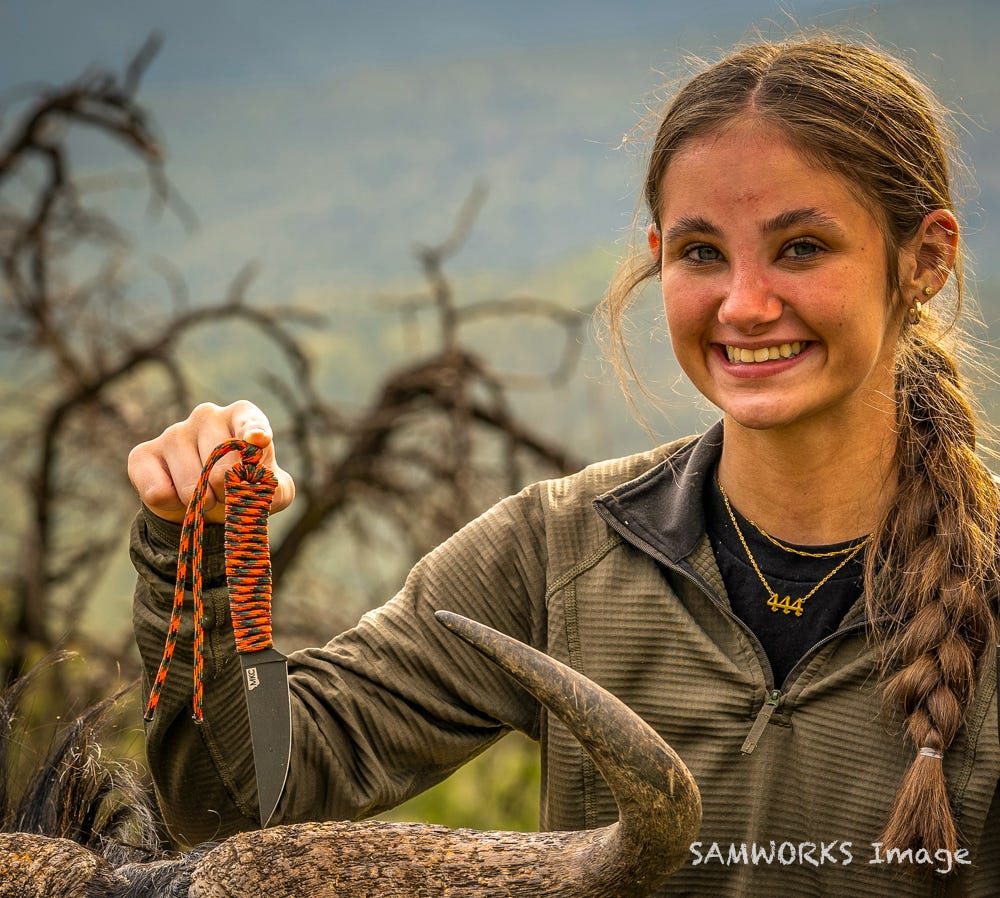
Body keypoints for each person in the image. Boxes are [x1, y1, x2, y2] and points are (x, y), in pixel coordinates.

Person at [128, 36, 999, 894]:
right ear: (660, 257)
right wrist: (198, 553)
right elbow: (248, 798)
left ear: (924, 258)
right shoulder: (560, 551)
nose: (744, 303)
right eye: (702, 253)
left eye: (801, 247)